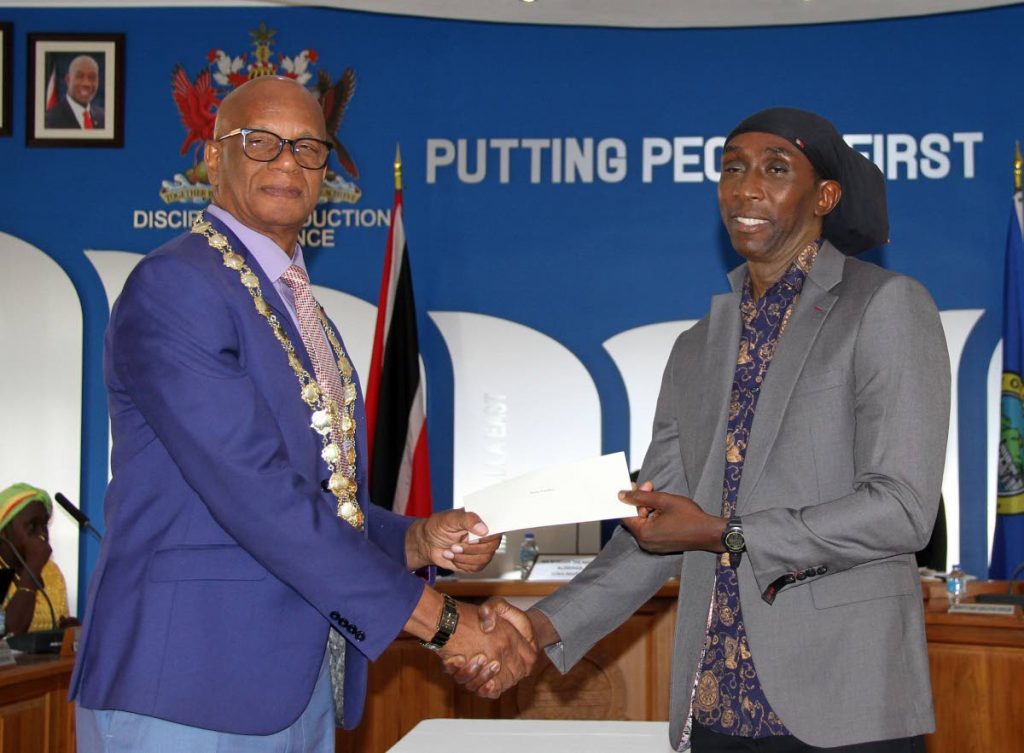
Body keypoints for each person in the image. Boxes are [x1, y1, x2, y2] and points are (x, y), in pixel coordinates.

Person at [460, 107, 950, 752]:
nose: (747, 188)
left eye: (775, 169)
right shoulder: (696, 345)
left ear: (825, 195)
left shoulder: (885, 305)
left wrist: (724, 532)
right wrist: (538, 627)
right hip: (714, 697)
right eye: (733, 168)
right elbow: (657, 527)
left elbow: (902, 511)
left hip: (844, 696)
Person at [71, 76, 534, 752]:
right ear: (212, 157)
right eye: (261, 142)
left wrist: (415, 540)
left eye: (309, 148)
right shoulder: (177, 286)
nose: (287, 162)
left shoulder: (302, 310)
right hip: (187, 688)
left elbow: (320, 501)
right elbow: (259, 496)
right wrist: (439, 621)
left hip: (302, 685)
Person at [0, 483, 73, 634]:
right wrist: (32, 569)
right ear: (4, 532)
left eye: (44, 525)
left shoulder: (51, 571)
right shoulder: (37, 566)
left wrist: (67, 631)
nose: (43, 535)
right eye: (32, 526)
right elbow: (9, 632)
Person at [44, 54, 104, 129]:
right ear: (68, 80)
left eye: (92, 77)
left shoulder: (104, 116)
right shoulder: (49, 120)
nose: (86, 83)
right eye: (80, 76)